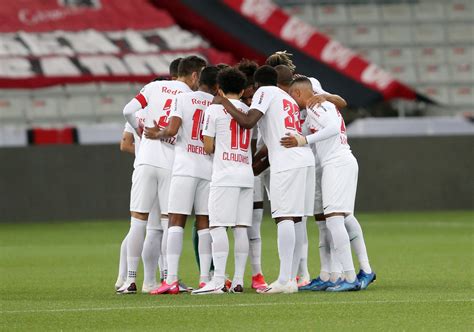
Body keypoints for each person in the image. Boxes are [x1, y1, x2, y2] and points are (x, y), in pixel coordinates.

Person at [213, 65, 315, 294]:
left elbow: (248, 121)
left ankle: (284, 280)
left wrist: (224, 102)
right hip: (304, 160)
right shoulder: (286, 98)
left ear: (257, 85)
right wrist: (251, 169)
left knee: (285, 218)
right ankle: (291, 279)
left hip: (288, 163)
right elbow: (271, 144)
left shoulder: (265, 92)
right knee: (297, 220)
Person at [117, 55, 206, 294]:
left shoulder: (153, 87)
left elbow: (128, 110)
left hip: (145, 161)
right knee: (168, 225)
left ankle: (130, 280)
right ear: (195, 75)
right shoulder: (190, 97)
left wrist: (139, 128)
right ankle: (168, 278)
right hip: (172, 165)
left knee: (138, 223)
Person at [281, 77, 375, 291]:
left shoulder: (316, 105)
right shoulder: (318, 105)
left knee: (334, 219)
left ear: (296, 94)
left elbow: (332, 128)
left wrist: (304, 140)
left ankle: (350, 278)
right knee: (338, 218)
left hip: (337, 163)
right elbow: (308, 130)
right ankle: (339, 276)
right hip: (338, 162)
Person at [144, 66, 219, 295]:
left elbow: (173, 128)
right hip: (208, 168)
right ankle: (205, 279)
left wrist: (157, 133)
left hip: (185, 166)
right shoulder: (217, 104)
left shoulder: (183, 98)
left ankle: (172, 279)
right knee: (204, 223)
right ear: (217, 86)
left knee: (176, 221)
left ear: (199, 80)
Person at [192, 68, 253, 294]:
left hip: (225, 174)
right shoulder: (248, 110)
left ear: (219, 89)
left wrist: (218, 150)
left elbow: (207, 146)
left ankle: (217, 281)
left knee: (217, 226)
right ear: (242, 89)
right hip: (246, 174)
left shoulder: (214, 110)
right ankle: (237, 281)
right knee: (241, 229)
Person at [237, 59, 268, 290]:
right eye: (245, 97)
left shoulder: (262, 109)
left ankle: (257, 274)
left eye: (252, 96)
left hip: (252, 173)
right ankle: (214, 276)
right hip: (225, 173)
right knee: (215, 226)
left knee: (253, 225)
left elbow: (267, 145)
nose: (249, 101)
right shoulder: (227, 109)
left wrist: (253, 168)